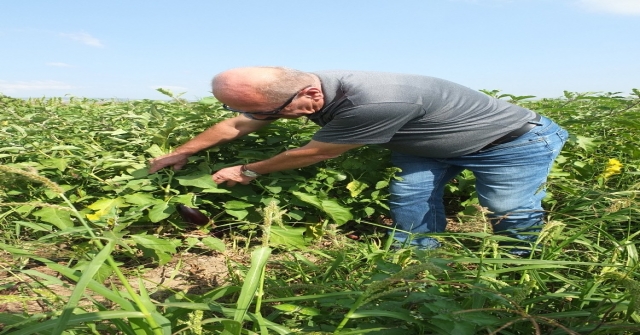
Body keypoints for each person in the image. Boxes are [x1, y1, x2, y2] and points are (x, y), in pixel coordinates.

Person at [149, 66, 568, 254]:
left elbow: (318, 152)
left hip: (508, 144)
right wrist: (181, 153)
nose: (260, 121)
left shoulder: (373, 101)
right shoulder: (299, 89)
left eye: (268, 114)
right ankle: (419, 265)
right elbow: (238, 125)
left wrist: (248, 170)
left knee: (507, 209)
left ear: (309, 96)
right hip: (430, 145)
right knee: (410, 199)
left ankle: (518, 271)